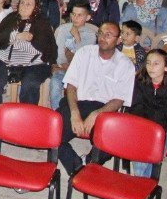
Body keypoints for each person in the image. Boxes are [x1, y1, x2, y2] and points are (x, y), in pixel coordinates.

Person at [56, 21, 136, 174]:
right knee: (53, 132)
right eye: (100, 33)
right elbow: (71, 87)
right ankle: (77, 168)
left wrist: (96, 114)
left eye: (108, 35)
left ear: (118, 40)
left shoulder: (125, 64)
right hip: (78, 103)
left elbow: (119, 100)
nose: (102, 38)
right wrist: (74, 113)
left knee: (113, 140)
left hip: (105, 109)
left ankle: (90, 160)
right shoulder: (83, 53)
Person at [128, 49, 167, 188]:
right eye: (148, 63)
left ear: (166, 67)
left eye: (156, 63)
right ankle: (143, 194)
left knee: (151, 155)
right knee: (141, 154)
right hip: (142, 127)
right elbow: (135, 107)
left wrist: (154, 127)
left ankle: (139, 192)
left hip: (165, 129)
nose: (151, 67)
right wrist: (145, 126)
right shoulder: (140, 81)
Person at [0, 0, 56, 105]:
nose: (24, 6)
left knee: (30, 83)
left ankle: (26, 115)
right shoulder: (11, 17)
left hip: (33, 63)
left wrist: (31, 39)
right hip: (5, 60)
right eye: (22, 3)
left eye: (29, 4)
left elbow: (47, 46)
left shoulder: (42, 22)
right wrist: (16, 36)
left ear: (35, 7)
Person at [50, 1, 97, 109]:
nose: (75, 18)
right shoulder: (63, 29)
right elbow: (59, 52)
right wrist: (62, 65)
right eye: (73, 14)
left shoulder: (91, 35)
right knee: (55, 83)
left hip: (80, 72)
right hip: (62, 68)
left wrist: (77, 38)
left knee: (82, 90)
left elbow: (84, 58)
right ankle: (57, 113)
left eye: (80, 15)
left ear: (88, 17)